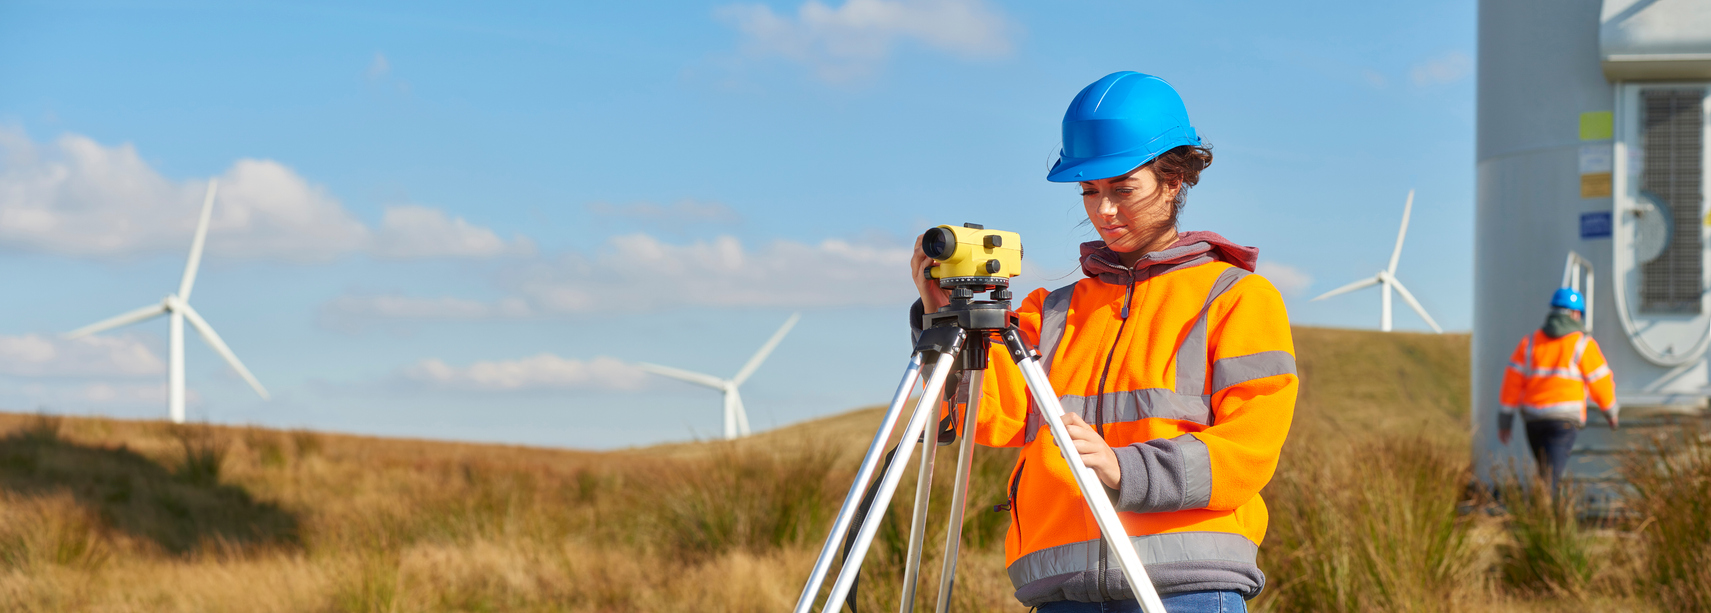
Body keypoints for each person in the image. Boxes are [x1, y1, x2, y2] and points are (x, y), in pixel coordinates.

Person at [908, 72, 1296, 613]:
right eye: (1090, 191)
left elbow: (1249, 450)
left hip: (1186, 588)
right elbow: (982, 416)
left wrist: (1125, 469)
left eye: (1122, 189)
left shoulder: (1235, 297)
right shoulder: (1051, 310)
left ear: (1174, 179)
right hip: (1064, 590)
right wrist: (939, 313)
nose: (1104, 211)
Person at [1498, 287, 1618, 492]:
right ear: (1576, 314)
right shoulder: (1582, 344)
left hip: (1533, 420)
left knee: (1545, 473)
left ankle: (1542, 515)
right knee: (1550, 478)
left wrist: (1505, 420)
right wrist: (1611, 412)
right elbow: (1600, 381)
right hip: (1563, 421)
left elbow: (1512, 382)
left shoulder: (1530, 343)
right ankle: (1545, 519)